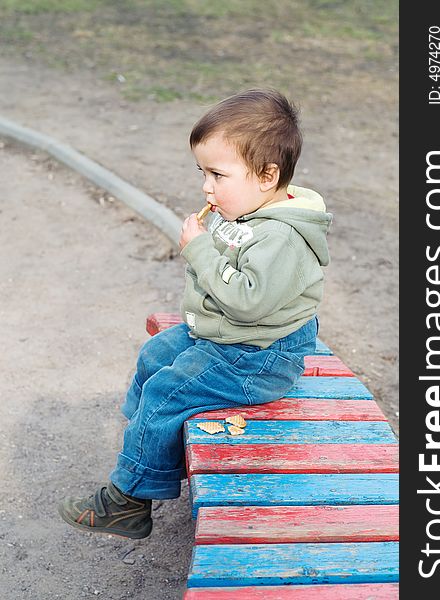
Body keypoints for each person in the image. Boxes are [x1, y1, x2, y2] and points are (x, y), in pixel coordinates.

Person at [58, 88, 333, 539]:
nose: (206, 186)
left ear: (267, 175)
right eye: (202, 172)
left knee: (168, 391)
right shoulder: (251, 206)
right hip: (230, 336)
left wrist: (201, 250)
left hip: (259, 356)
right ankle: (149, 447)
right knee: (155, 354)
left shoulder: (282, 237)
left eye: (218, 175)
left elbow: (247, 300)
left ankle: (128, 501)